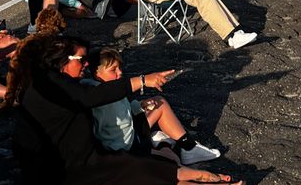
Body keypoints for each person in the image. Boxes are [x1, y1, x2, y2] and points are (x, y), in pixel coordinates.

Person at [1, 35, 242, 184]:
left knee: (152, 169)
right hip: (66, 170)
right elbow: (92, 97)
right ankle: (201, 176)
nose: (86, 64)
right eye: (81, 60)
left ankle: (200, 175)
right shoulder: (52, 84)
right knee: (146, 170)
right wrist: (142, 81)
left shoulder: (49, 81)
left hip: (82, 161)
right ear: (61, 60)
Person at [87, 48, 221, 165]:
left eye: (119, 67)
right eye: (113, 70)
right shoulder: (102, 100)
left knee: (158, 101)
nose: (120, 72)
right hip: (128, 144)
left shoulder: (107, 90)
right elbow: (99, 131)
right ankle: (173, 145)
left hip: (129, 132)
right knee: (173, 161)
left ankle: (182, 146)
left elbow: (124, 108)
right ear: (97, 74)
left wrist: (140, 105)